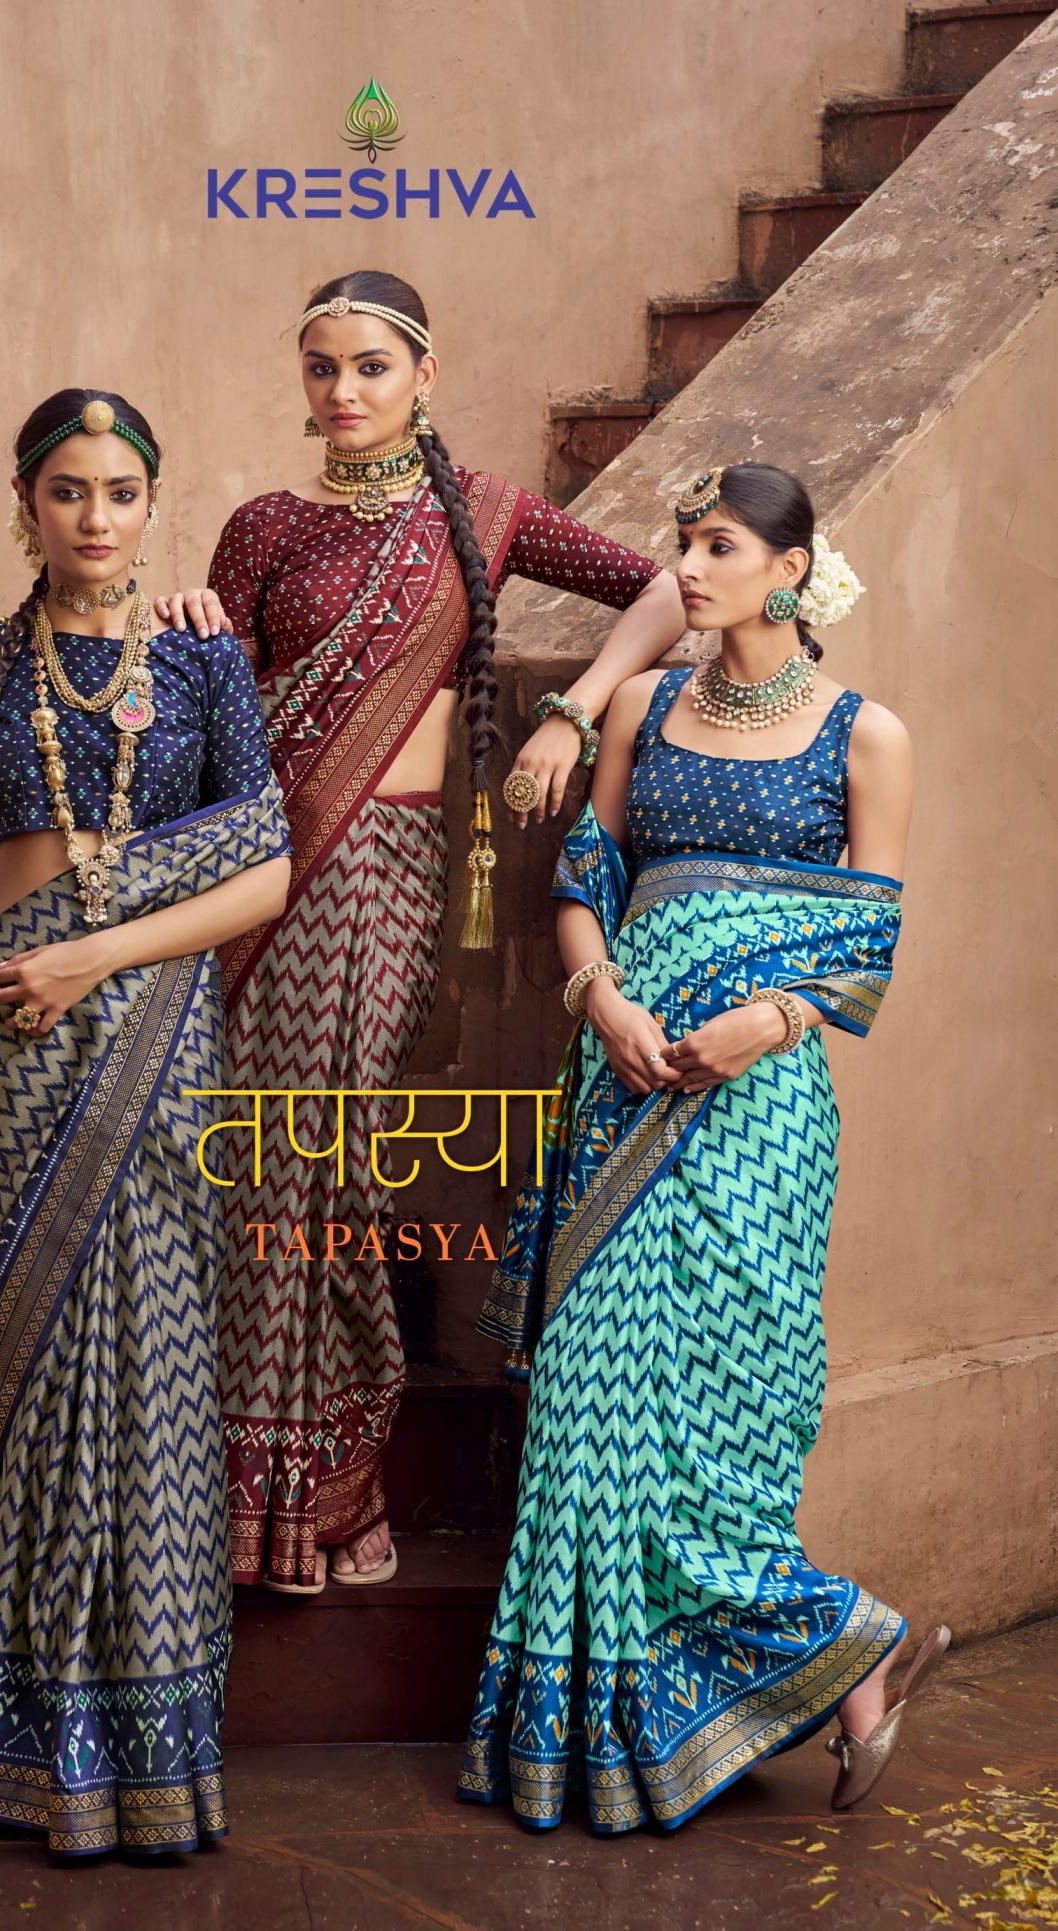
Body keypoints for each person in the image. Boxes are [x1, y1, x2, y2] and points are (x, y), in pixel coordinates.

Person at [175, 268, 686, 1595]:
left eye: (370, 367)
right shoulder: (263, 527)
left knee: (334, 1167)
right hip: (260, 883)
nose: (343, 391)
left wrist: (575, 708)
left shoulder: (487, 516)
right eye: (321, 368)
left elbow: (666, 591)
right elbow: (216, 721)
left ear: (424, 376)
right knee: (255, 1170)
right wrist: (181, 631)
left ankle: (325, 1487)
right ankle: (236, 1495)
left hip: (391, 874)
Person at [0, 389, 291, 1858]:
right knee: (31, 1378)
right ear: (26, 503)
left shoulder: (203, 661)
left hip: (155, 1035)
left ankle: (153, 1760)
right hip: (13, 1050)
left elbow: (264, 868)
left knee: (153, 1369)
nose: (97, 517)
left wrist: (99, 952)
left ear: (155, 503)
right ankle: (41, 1751)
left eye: (122, 492)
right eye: (69, 491)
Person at [458, 461, 949, 1832]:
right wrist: (599, 998)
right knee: (589, 1413)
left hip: (759, 1111)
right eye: (682, 543)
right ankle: (789, 1673)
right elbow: (584, 880)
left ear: (791, 570)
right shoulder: (642, 705)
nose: (685, 566)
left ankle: (836, 1652)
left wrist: (762, 1025)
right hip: (620, 1083)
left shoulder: (865, 736)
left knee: (725, 1407)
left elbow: (867, 941)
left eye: (718, 545)